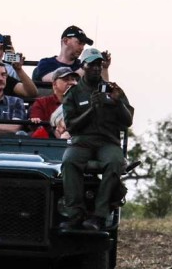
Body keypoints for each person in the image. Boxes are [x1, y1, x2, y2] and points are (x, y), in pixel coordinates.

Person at [58, 49, 133, 230]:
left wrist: (117, 102)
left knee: (115, 162)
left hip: (107, 141)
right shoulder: (74, 93)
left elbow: (128, 121)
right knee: (69, 161)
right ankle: (75, 214)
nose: (96, 68)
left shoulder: (113, 89)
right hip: (82, 141)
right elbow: (72, 126)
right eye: (91, 64)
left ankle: (99, 216)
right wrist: (92, 109)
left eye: (98, 64)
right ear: (83, 66)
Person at [28, 66, 79, 134]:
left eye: (73, 79)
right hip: (50, 142)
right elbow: (36, 127)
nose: (72, 82)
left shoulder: (83, 101)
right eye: (66, 79)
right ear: (54, 84)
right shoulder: (41, 103)